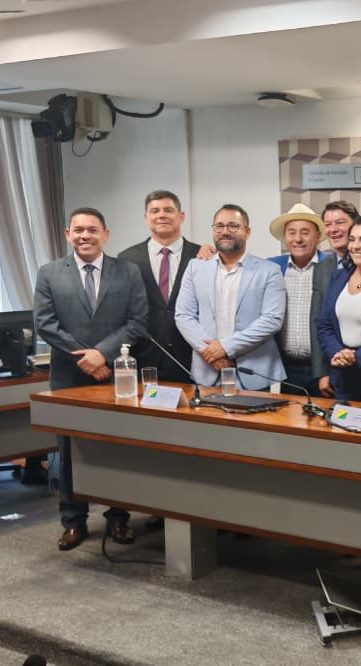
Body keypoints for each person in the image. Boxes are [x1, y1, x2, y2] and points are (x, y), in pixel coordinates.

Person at [33, 207, 148, 550]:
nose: (85, 235)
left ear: (106, 234)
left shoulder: (127, 271)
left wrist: (103, 354)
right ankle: (72, 520)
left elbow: (138, 320)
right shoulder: (50, 272)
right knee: (68, 449)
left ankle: (118, 517)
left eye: (92, 230)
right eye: (78, 230)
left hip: (117, 373)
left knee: (118, 448)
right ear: (68, 234)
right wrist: (86, 358)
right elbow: (45, 323)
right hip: (69, 376)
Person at [174, 204, 286, 390]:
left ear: (247, 231)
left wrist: (225, 347)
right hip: (207, 369)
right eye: (219, 226)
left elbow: (272, 320)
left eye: (233, 226)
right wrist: (209, 353)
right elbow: (183, 315)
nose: (225, 231)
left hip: (254, 373)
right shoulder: (195, 267)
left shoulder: (269, 271)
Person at [118, 190, 204, 383]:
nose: (161, 215)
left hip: (192, 357)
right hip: (143, 357)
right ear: (146, 217)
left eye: (168, 210)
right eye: (154, 211)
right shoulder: (127, 259)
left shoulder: (202, 256)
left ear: (181, 216)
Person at [316, 215, 361, 403]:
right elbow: (324, 324)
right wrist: (337, 352)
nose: (355, 246)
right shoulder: (338, 277)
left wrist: (356, 357)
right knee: (340, 428)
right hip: (342, 376)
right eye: (352, 239)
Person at [268, 203, 329, 396]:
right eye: (292, 233)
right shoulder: (272, 267)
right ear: (285, 238)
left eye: (305, 232)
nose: (298, 239)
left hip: (325, 370)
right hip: (288, 369)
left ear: (318, 235)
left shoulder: (332, 267)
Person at [312, 200, 360, 397]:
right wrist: (322, 372)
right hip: (335, 366)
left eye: (340, 222)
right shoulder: (322, 268)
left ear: (355, 224)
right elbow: (317, 321)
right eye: (328, 224)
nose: (333, 230)